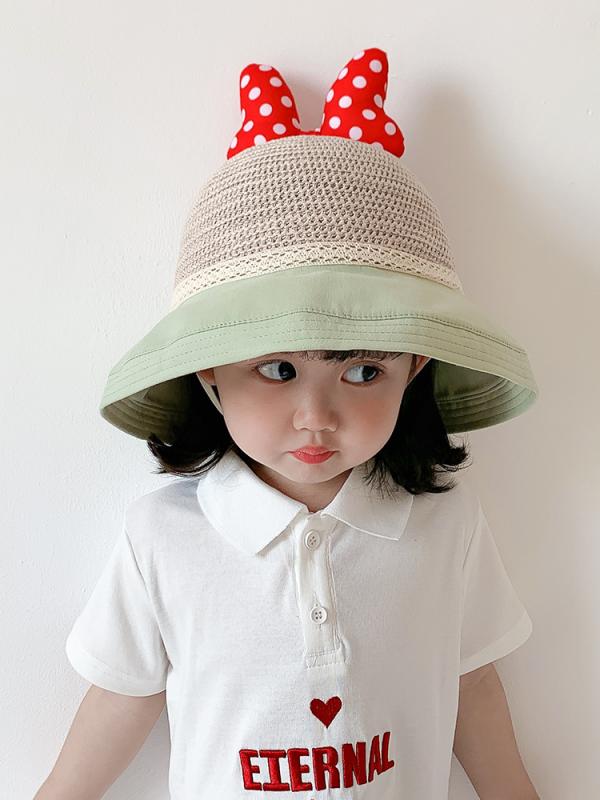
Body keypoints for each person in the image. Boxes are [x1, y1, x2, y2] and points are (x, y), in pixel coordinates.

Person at [34, 47, 541, 799]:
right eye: (277, 369)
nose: (316, 416)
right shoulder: (163, 538)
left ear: (415, 368)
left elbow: (470, 682)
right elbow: (121, 695)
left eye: (363, 371)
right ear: (209, 369)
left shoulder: (446, 526)